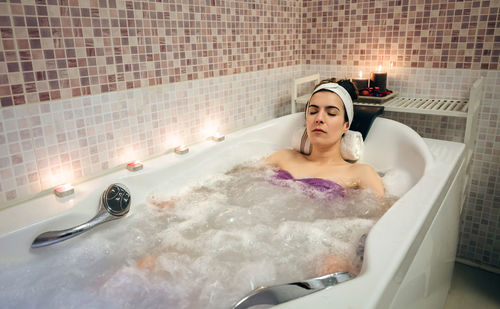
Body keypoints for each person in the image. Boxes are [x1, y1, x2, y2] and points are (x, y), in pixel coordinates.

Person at [266, 78, 385, 198]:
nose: (319, 118)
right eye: (313, 112)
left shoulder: (361, 174)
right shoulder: (282, 157)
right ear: (306, 120)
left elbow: (381, 212)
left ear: (346, 125)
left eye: (331, 113)